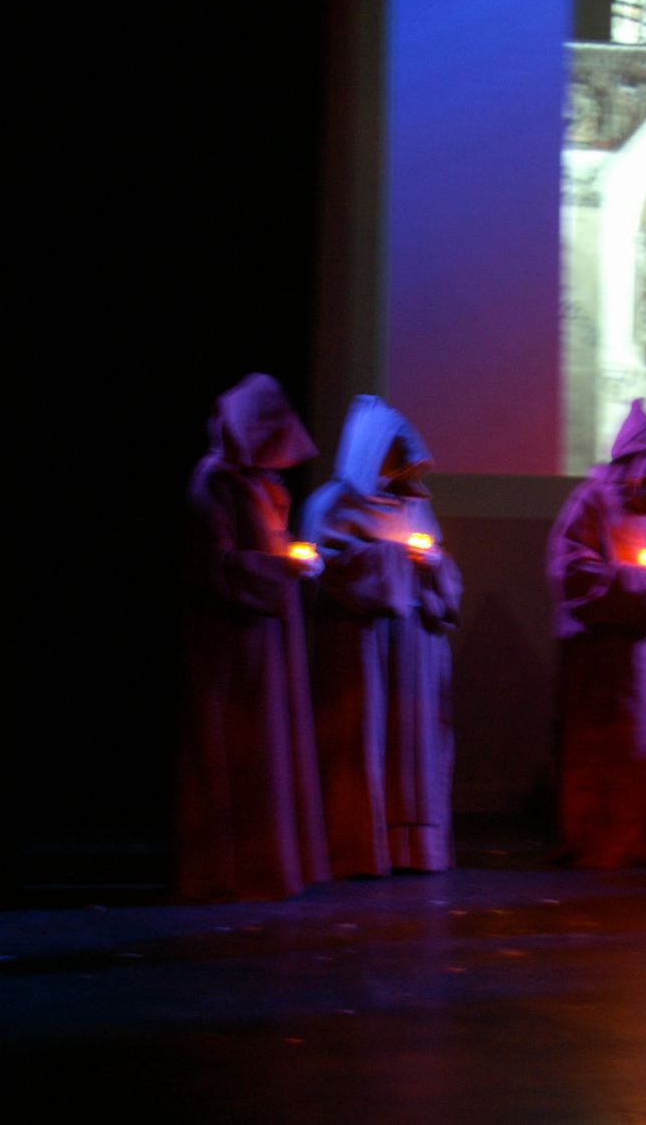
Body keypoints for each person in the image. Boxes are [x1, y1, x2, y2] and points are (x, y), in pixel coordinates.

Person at [178, 374, 331, 902]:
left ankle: (269, 865)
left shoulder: (260, 485)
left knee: (269, 746)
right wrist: (280, 568)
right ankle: (228, 869)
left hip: (268, 634)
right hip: (232, 639)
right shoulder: (213, 483)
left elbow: (270, 545)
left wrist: (296, 561)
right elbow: (212, 566)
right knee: (238, 745)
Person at [301, 396, 463, 877]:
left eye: (403, 453)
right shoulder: (331, 504)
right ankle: (356, 848)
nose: (399, 464)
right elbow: (326, 569)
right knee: (361, 740)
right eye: (390, 452)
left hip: (413, 643)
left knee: (411, 746)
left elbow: (440, 567)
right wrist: (393, 561)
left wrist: (433, 566)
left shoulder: (414, 506)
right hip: (359, 641)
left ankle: (412, 848)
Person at [547, 400, 646, 867]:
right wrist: (628, 581)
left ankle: (636, 833)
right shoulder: (591, 501)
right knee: (599, 743)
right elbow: (569, 564)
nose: (643, 470)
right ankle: (592, 836)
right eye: (636, 459)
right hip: (601, 650)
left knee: (642, 741)